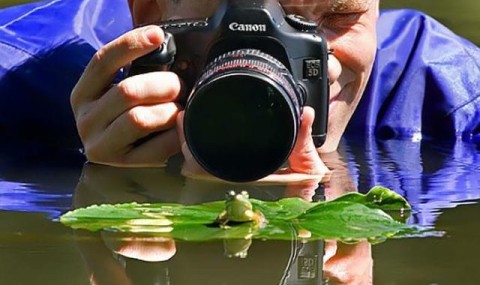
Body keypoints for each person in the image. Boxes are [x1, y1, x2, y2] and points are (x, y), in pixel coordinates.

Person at [0, 0, 479, 181]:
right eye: (245, 30)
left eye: (337, 19)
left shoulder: (449, 97)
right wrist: (117, 188)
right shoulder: (15, 79)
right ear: (150, 14)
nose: (316, 65)